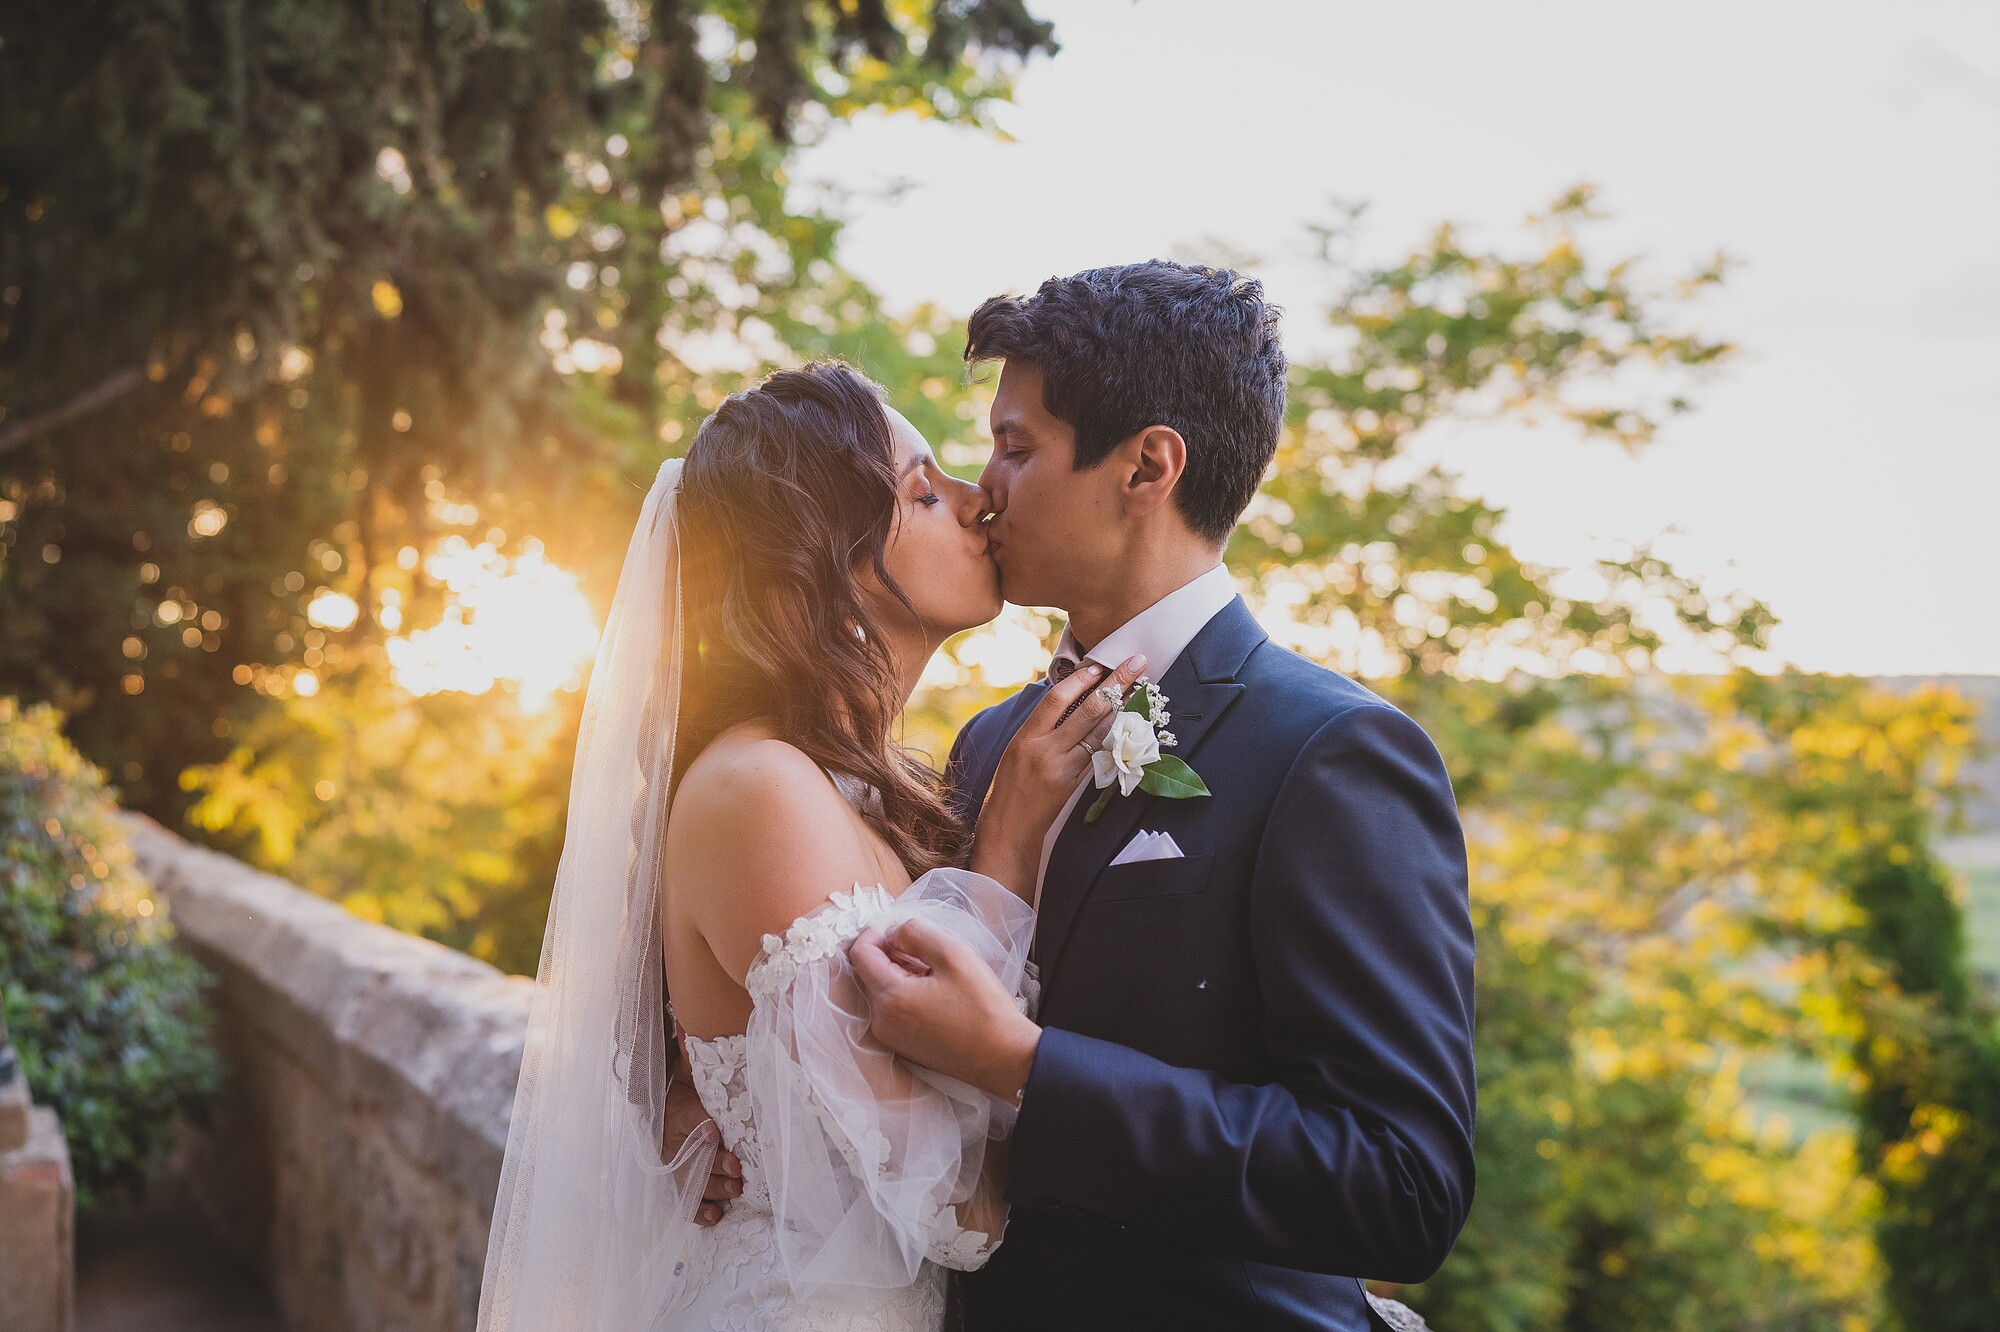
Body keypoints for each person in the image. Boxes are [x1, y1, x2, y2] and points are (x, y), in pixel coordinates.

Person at [847, 262, 1476, 1332]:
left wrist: (1021, 1064)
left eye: (1016, 446)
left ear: (1146, 466)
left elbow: (1396, 1184)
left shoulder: (1331, 752)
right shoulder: (989, 739)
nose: (983, 487)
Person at [475, 360, 1146, 1331]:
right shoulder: (761, 793)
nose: (975, 501)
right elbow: (959, 1211)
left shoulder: (854, 795)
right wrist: (1004, 846)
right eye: (922, 490)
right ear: (822, 561)